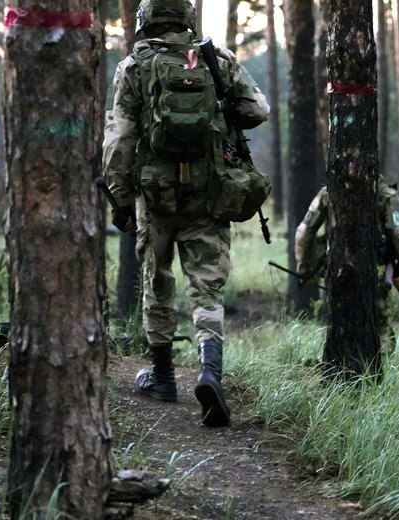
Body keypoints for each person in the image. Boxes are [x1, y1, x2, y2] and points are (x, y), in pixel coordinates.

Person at [103, 0, 269, 427]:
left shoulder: (133, 66)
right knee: (206, 286)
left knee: (156, 278)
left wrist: (120, 198)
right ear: (186, 17)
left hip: (154, 194)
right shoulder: (217, 59)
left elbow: (119, 138)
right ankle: (210, 371)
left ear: (146, 20)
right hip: (208, 190)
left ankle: (161, 376)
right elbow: (258, 111)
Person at [294, 179, 399, 354]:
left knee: (339, 318)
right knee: (379, 323)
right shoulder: (386, 195)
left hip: (336, 268)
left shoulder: (328, 192)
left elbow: (304, 231)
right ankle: (379, 367)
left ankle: (339, 365)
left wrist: (304, 268)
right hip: (375, 269)